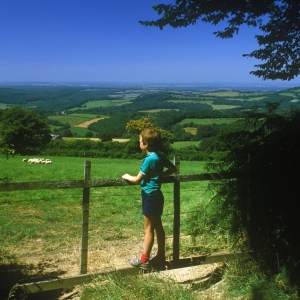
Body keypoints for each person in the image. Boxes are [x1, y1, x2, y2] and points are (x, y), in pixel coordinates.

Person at [122, 129, 177, 270]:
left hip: (150, 196)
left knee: (148, 229)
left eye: (140, 141)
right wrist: (159, 176)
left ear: (146, 144)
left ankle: (144, 260)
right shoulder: (159, 156)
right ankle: (161, 255)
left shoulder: (149, 160)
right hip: (157, 195)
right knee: (158, 226)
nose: (139, 142)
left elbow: (137, 180)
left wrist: (126, 176)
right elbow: (173, 169)